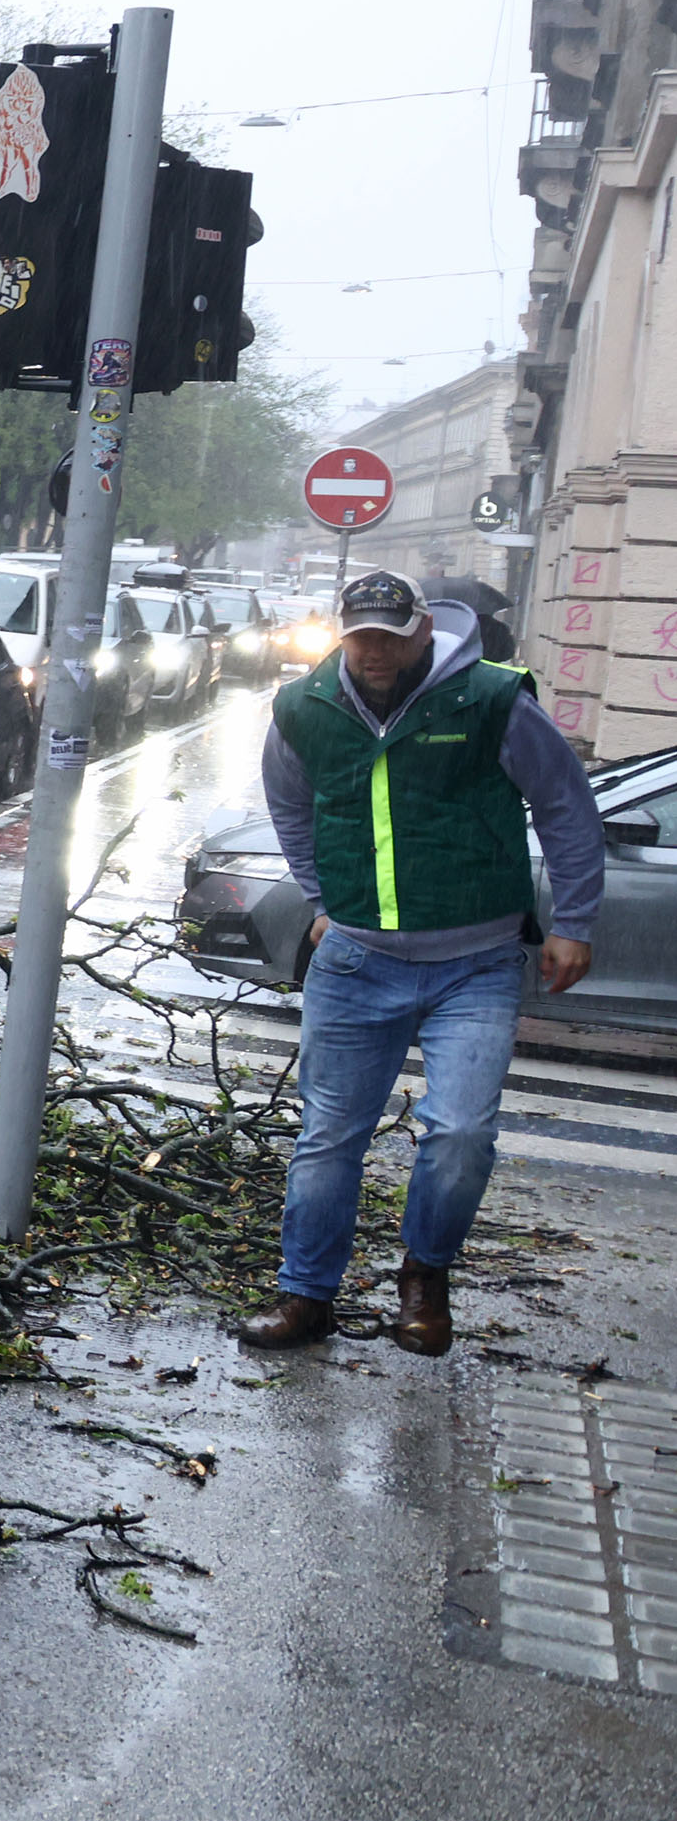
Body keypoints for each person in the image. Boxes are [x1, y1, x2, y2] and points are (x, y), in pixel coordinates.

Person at [242, 570, 604, 1354]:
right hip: (355, 961)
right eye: (361, 635)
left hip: (475, 962)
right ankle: (306, 1295)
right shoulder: (305, 708)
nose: (375, 651)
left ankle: (424, 1277)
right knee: (330, 1136)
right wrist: (321, 900)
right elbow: (290, 805)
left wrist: (572, 919)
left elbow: (568, 806)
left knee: (461, 1132)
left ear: (424, 630)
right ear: (344, 636)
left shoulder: (493, 699)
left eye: (390, 635)